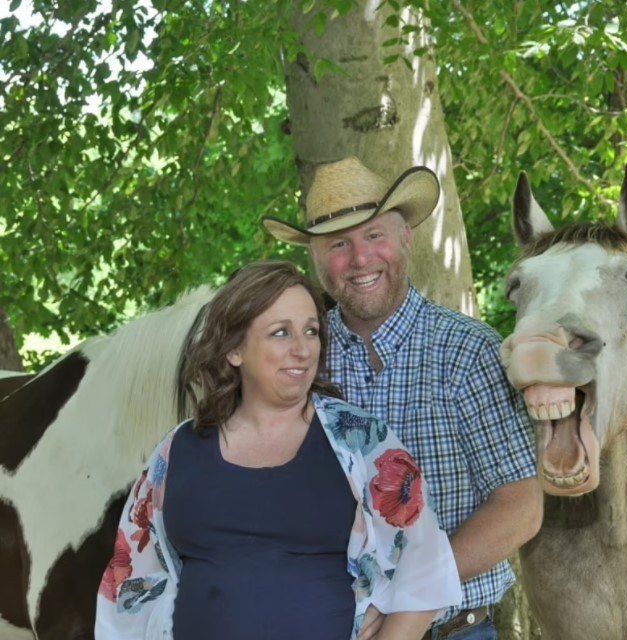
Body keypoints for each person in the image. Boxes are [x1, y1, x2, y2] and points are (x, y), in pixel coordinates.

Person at [94, 261, 462, 640]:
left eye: (311, 331)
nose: (303, 349)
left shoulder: (362, 442)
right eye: (281, 333)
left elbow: (425, 571)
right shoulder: (176, 452)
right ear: (234, 349)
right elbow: (129, 588)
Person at [262, 158, 543, 640]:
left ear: (407, 237)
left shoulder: (467, 352)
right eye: (338, 245)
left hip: (458, 631)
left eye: (374, 236)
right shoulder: (300, 362)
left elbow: (521, 506)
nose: (360, 259)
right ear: (315, 258)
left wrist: (403, 598)